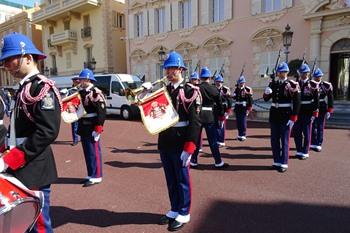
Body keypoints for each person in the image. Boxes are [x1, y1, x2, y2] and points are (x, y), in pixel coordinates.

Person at [0, 32, 62, 233]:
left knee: (39, 226)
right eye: (5, 61)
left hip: (34, 167)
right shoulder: (25, 87)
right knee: (24, 224)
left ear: (27, 58)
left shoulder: (41, 87)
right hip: (22, 166)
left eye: (10, 59)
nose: (7, 65)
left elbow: (48, 131)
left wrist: (11, 159)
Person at [157, 51, 201, 231]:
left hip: (181, 140)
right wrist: (143, 95)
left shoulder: (191, 91)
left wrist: (189, 147)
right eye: (167, 69)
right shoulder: (164, 90)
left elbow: (195, 122)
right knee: (171, 178)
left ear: (181, 69)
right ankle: (174, 208)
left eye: (172, 68)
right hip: (166, 140)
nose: (169, 72)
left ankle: (184, 211)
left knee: (182, 178)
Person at [263, 62, 301, 173]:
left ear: (287, 72)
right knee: (274, 139)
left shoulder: (292, 84)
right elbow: (266, 99)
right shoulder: (273, 84)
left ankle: (284, 162)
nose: (281, 74)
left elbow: (297, 102)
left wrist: (294, 116)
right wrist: (266, 93)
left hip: (285, 115)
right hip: (274, 114)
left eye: (284, 72)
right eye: (280, 72)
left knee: (284, 140)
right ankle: (276, 161)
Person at [190, 67, 229, 169]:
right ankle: (218, 161)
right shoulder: (213, 89)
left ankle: (194, 161)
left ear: (201, 78)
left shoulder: (196, 88)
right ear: (209, 78)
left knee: (196, 140)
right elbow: (220, 104)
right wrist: (221, 115)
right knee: (212, 141)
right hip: (210, 116)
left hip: (198, 116)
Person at [76, 68, 106, 187]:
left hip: (93, 125)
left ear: (88, 79)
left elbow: (102, 112)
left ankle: (97, 175)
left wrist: (98, 128)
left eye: (82, 79)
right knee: (87, 152)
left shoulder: (96, 92)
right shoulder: (81, 92)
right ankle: (90, 174)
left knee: (94, 152)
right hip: (84, 124)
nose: (80, 81)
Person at [293, 63, 319, 160]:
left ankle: (305, 151)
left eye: (305, 73)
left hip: (308, 111)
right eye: (302, 73)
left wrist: (315, 113)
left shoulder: (313, 84)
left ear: (308, 73)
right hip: (298, 111)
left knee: (307, 132)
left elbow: (316, 100)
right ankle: (299, 149)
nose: (304, 74)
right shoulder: (296, 84)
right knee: (297, 132)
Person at [310, 68, 334, 152]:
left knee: (320, 125)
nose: (317, 78)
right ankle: (312, 142)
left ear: (321, 77)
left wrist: (329, 110)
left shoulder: (325, 85)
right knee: (312, 125)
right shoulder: (310, 84)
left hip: (322, 107)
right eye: (316, 77)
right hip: (312, 106)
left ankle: (318, 143)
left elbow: (330, 98)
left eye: (319, 77)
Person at [232, 75, 253, 141]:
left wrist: (248, 109)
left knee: (243, 122)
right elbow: (235, 98)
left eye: (242, 83)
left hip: (244, 108)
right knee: (238, 122)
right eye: (240, 83)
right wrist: (233, 95)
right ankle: (239, 134)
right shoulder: (237, 89)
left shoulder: (247, 89)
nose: (241, 84)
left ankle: (243, 134)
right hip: (238, 107)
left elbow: (250, 100)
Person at [214, 74, 232, 146]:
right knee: (215, 125)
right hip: (215, 110)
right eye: (217, 81)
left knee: (221, 126)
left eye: (220, 82)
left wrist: (227, 112)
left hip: (223, 110)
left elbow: (229, 101)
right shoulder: (213, 89)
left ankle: (221, 140)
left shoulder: (225, 89)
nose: (219, 83)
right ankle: (216, 139)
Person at [69, 77, 81, 146]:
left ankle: (82, 138)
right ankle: (75, 140)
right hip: (74, 110)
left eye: (78, 82)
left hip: (81, 110)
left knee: (82, 125)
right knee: (74, 126)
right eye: (76, 82)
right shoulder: (71, 91)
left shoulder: (81, 89)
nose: (77, 83)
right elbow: (68, 100)